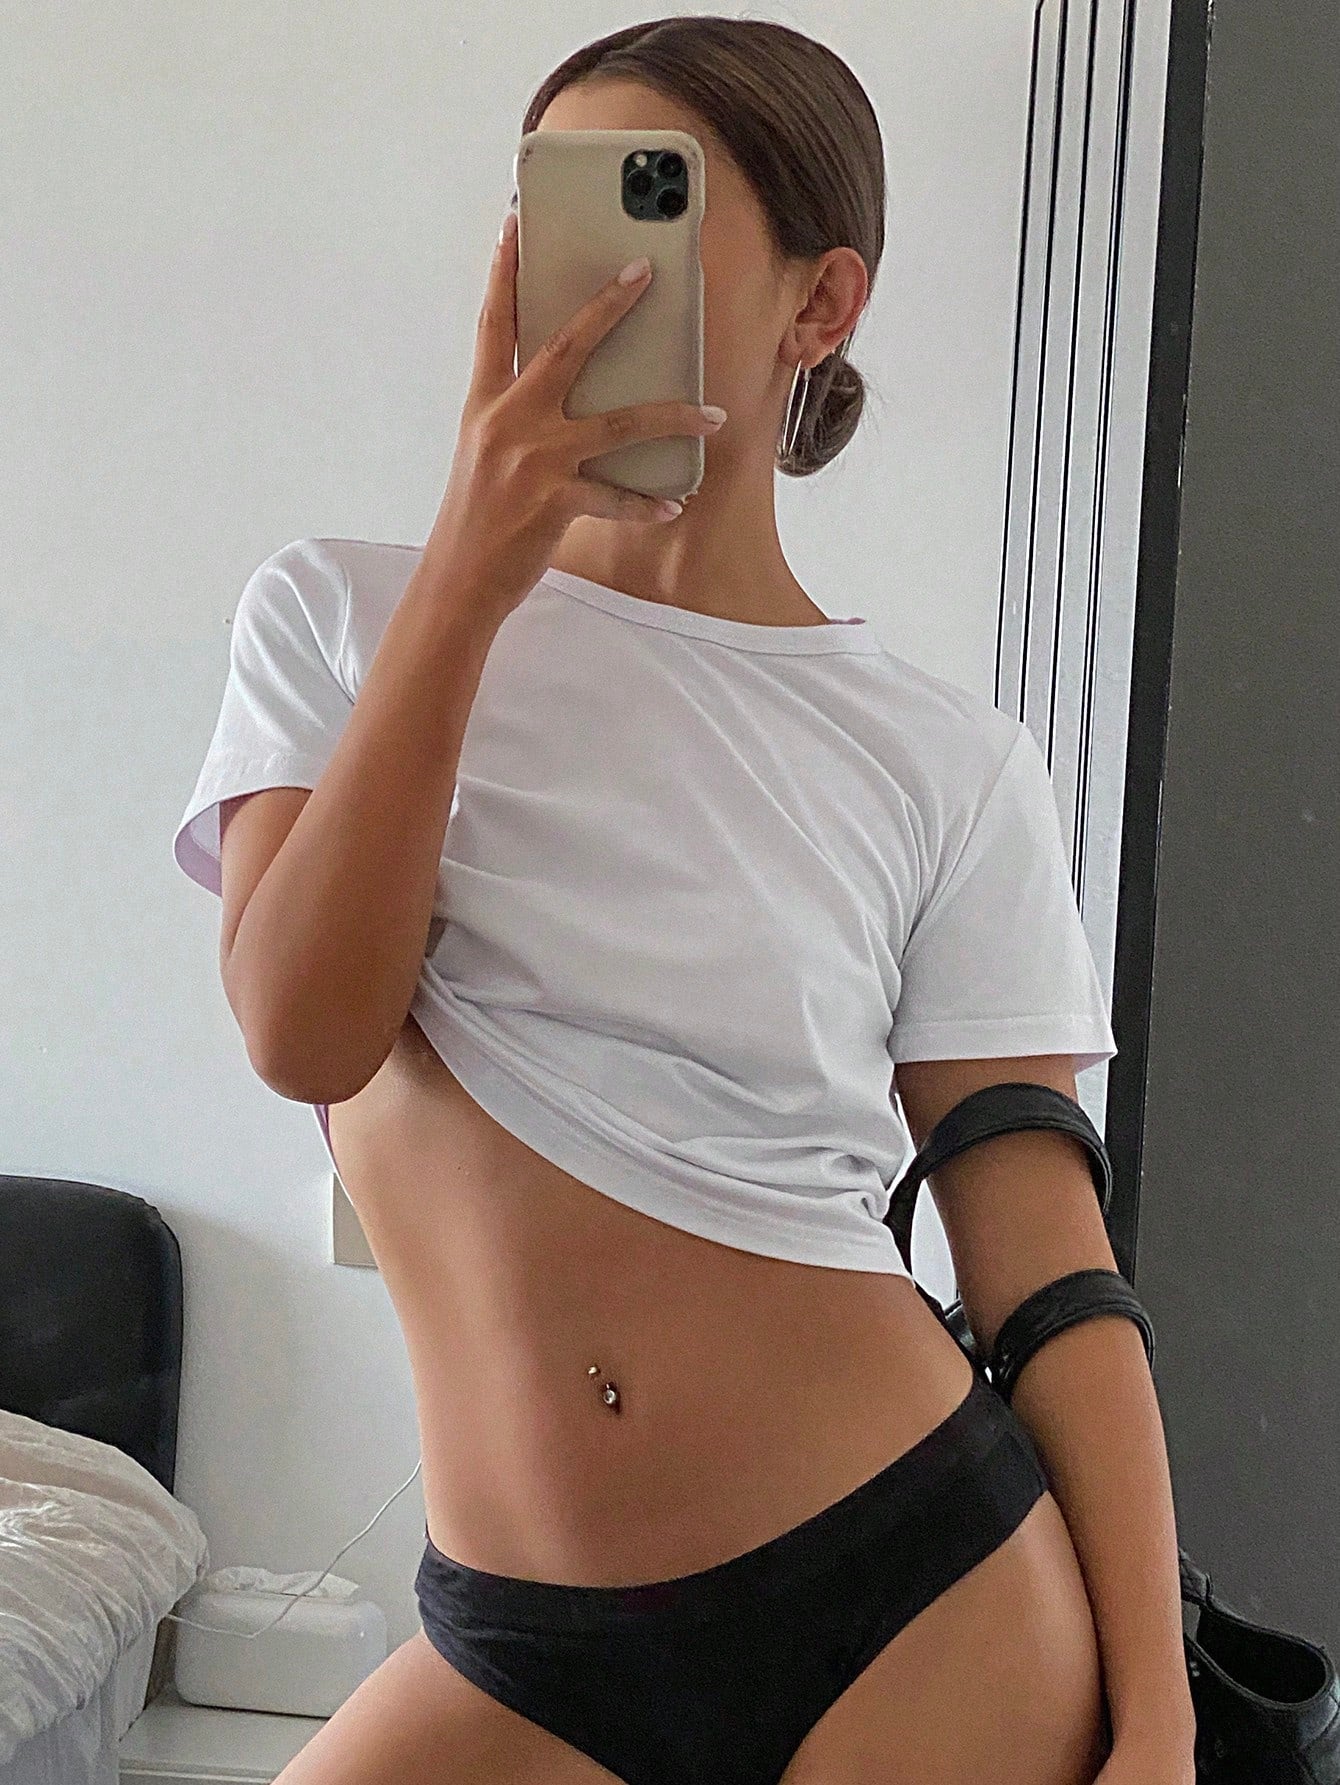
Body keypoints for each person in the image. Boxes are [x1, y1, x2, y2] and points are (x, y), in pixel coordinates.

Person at [173, 18, 1149, 1785]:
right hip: (522, 1645)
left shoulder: (950, 762)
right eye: (553, 206)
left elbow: (1052, 1278)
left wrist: (1158, 1718)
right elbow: (305, 1029)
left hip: (922, 1596)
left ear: (819, 304)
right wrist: (473, 571)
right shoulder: (338, 616)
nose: (591, 275)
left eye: (653, 207)